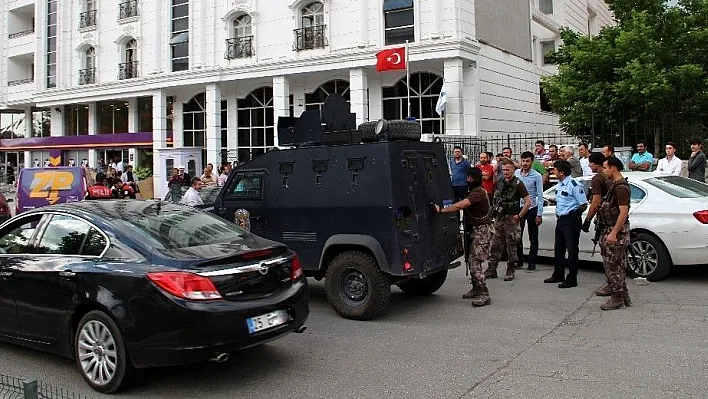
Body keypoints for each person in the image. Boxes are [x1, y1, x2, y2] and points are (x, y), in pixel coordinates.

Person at [435, 168, 492, 307]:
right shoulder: (474, 191)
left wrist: (442, 210)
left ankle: (484, 293)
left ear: (471, 179)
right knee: (470, 259)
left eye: (469, 178)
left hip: (481, 230)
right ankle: (476, 288)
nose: (467, 180)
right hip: (472, 230)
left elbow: (462, 205)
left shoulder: (478, 192)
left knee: (474, 261)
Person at [485, 159, 531, 281]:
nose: (505, 172)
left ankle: (511, 270)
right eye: (503, 170)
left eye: (507, 169)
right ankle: (491, 269)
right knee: (495, 245)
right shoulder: (500, 182)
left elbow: (528, 202)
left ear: (513, 170)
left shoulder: (518, 184)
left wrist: (519, 216)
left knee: (512, 246)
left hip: (512, 218)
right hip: (499, 218)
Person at [544, 160, 588, 288]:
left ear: (562, 172)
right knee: (559, 248)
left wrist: (574, 215)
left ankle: (572, 278)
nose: (553, 172)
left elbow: (583, 204)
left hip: (571, 220)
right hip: (561, 219)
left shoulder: (574, 185)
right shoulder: (560, 184)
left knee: (572, 250)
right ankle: (558, 274)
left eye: (555, 170)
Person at [597, 156, 631, 310]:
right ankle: (623, 295)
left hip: (616, 231)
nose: (603, 171)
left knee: (614, 266)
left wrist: (614, 233)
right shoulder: (615, 185)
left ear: (613, 168)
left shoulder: (621, 187)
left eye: (605, 168)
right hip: (610, 228)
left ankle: (617, 297)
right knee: (616, 264)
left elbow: (623, 213)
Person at [582, 152, 611, 296]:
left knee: (607, 255)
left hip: (605, 220)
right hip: (612, 217)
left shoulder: (598, 179)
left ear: (597, 164)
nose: (589, 165)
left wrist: (587, 219)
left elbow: (595, 201)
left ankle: (611, 285)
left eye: (590, 163)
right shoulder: (611, 176)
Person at [515, 152, 544, 272]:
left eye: (527, 161)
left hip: (532, 208)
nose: (525, 163)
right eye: (523, 161)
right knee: (517, 235)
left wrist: (539, 214)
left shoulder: (536, 176)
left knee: (533, 236)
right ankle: (519, 261)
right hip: (520, 207)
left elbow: (540, 196)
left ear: (532, 162)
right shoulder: (517, 173)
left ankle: (532, 262)